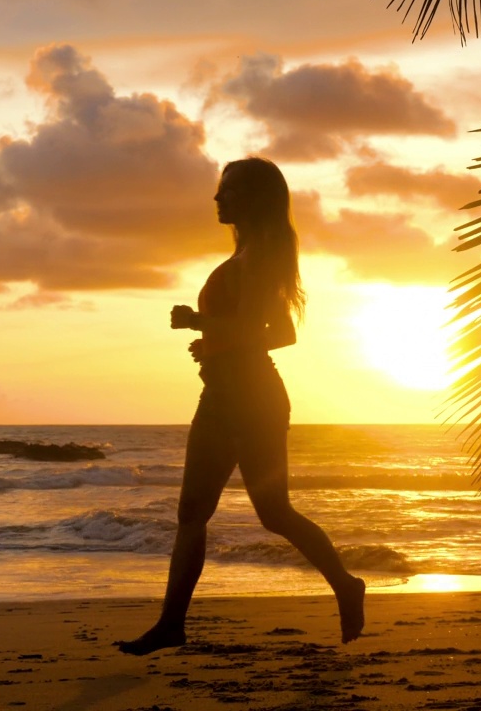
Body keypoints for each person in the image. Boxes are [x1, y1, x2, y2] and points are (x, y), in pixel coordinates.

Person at [115, 157, 365, 656]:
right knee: (192, 511)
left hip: (253, 400)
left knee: (274, 513)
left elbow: (268, 334)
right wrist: (211, 346)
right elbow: (270, 335)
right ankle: (171, 624)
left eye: (226, 190)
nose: (216, 198)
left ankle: (345, 583)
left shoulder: (262, 254)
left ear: (252, 197)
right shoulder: (249, 252)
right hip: (222, 395)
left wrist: (197, 324)